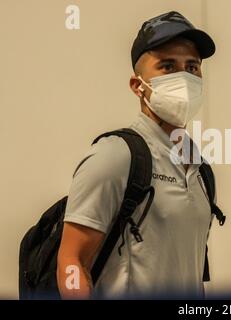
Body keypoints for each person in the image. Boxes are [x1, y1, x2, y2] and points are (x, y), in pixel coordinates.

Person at [56, 11, 218, 299]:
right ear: (137, 86)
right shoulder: (114, 157)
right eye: (168, 67)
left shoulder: (201, 170)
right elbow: (71, 261)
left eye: (192, 67)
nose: (183, 77)